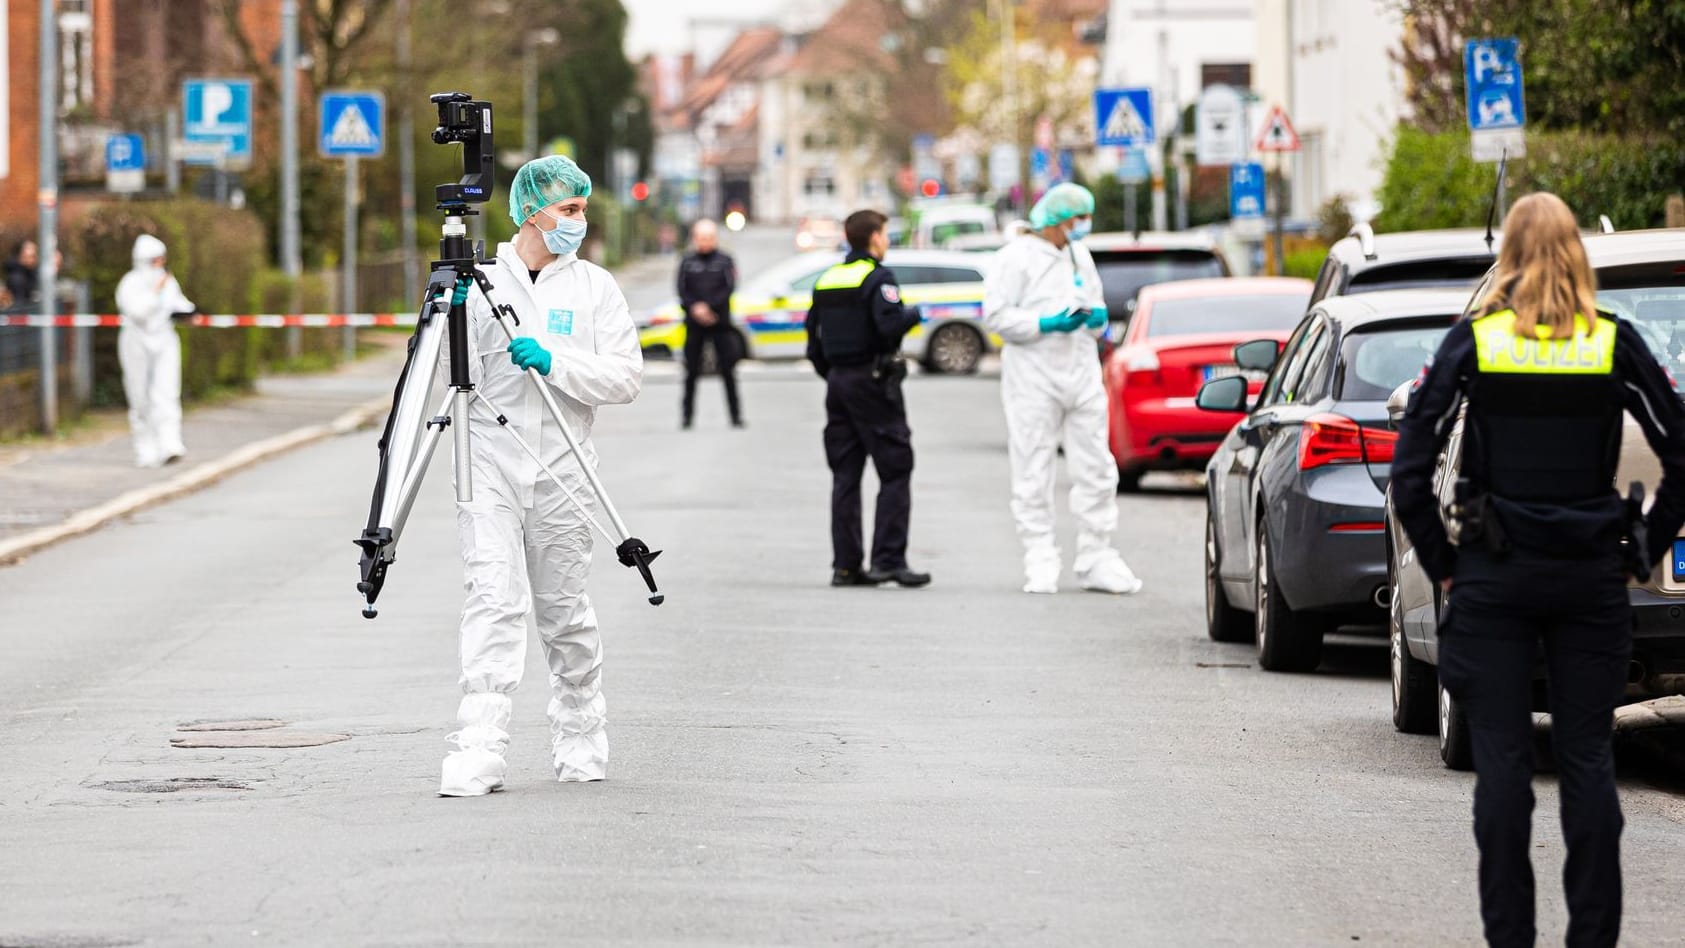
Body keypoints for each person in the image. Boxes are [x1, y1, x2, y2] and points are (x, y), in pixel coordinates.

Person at [1392, 192, 1685, 948]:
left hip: (1493, 577)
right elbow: (1680, 455)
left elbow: (1410, 465)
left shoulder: (1476, 342)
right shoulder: (1611, 341)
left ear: (1509, 258)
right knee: (1588, 758)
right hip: (1590, 580)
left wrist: (1445, 564)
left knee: (1501, 771)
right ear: (1577, 254)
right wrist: (1642, 551)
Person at [438, 154, 644, 797]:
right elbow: (445, 373)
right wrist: (453, 309)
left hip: (563, 466)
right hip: (488, 461)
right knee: (493, 599)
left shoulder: (594, 288)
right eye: (570, 209)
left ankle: (581, 730)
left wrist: (557, 361)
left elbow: (625, 377)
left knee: (563, 613)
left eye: (581, 209)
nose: (580, 221)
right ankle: (479, 748)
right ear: (532, 211)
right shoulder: (479, 281)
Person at [982, 183, 1142, 596]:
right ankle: (1039, 556)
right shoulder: (1014, 258)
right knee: (1033, 466)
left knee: (1097, 466)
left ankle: (1096, 555)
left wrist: (1096, 320)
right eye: (1077, 219)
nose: (1082, 227)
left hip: (1081, 372)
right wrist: (1045, 324)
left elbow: (1094, 305)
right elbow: (996, 316)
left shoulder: (1077, 254)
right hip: (1033, 376)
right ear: (1056, 219)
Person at [804, 209, 930, 589]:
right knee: (895, 468)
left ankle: (846, 566)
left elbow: (813, 342)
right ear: (874, 238)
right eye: (885, 234)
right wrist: (912, 315)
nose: (887, 241)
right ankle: (888, 560)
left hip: (838, 384)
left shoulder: (827, 279)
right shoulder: (878, 278)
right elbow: (888, 326)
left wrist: (835, 374)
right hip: (872, 382)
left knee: (845, 474)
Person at [115, 235, 194, 468]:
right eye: (156, 260)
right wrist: (155, 294)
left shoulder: (169, 282)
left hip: (165, 339)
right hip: (136, 340)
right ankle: (145, 449)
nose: (161, 265)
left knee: (167, 391)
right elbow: (136, 312)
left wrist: (190, 313)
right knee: (139, 396)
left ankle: (170, 443)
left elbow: (180, 304)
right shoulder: (130, 283)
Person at [676, 218, 743, 428]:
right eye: (701, 238)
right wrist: (695, 308)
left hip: (720, 322)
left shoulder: (725, 260)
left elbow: (729, 287)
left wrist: (710, 308)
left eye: (709, 238)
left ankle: (735, 416)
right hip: (694, 324)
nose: (705, 242)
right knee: (691, 372)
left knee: (728, 371)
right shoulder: (687, 261)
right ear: (695, 239)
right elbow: (681, 289)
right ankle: (687, 417)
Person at [5, 240, 39, 308]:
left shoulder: (33, 272)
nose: (33, 259)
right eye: (31, 256)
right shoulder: (16, 276)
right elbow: (19, 302)